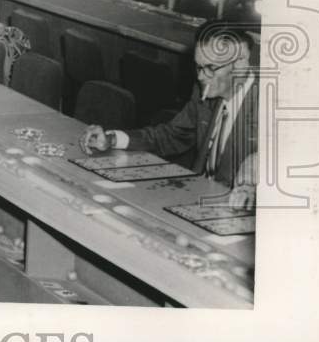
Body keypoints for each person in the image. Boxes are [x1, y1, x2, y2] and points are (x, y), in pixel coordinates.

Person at [79, 19, 258, 210]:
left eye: (211, 68)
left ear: (241, 61)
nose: (200, 77)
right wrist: (112, 139)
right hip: (196, 200)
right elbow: (171, 135)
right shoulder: (204, 90)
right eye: (198, 66)